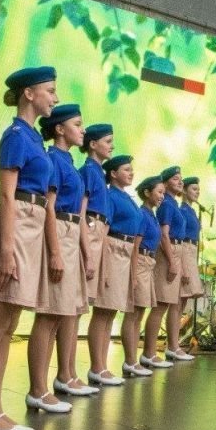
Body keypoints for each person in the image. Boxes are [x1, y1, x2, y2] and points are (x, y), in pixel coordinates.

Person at [0, 66, 57, 430]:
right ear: (29, 94)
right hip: (15, 222)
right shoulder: (15, 135)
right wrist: (6, 250)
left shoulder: (34, 139)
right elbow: (6, 193)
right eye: (49, 90)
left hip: (31, 223)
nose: (54, 97)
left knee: (9, 325)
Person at [28, 104, 87, 415]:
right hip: (59, 231)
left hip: (70, 230)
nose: (83, 130)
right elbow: (49, 207)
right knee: (48, 314)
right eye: (77, 124)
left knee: (58, 314)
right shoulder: (54, 159)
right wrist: (55, 252)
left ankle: (48, 385)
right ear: (60, 130)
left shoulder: (68, 161)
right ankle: (37, 389)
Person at [78, 125, 123, 388]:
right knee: (80, 308)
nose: (112, 146)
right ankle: (77, 371)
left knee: (100, 309)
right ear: (93, 144)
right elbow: (83, 213)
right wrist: (88, 252)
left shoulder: (98, 175)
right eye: (108, 141)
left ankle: (100, 366)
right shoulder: (88, 171)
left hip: (102, 235)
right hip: (92, 233)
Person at [101, 157, 153, 378]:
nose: (131, 173)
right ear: (113, 174)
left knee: (111, 312)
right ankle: (99, 367)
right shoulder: (111, 195)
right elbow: (103, 230)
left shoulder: (126, 197)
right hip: (114, 247)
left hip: (126, 249)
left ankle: (105, 367)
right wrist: (102, 264)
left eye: (132, 170)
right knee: (103, 312)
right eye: (126, 170)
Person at [151, 166, 192, 362]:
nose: (180, 182)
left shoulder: (173, 203)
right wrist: (172, 262)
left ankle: (173, 347)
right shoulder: (166, 204)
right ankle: (149, 353)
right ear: (166, 183)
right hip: (169, 252)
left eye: (181, 179)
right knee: (161, 304)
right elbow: (164, 234)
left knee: (171, 302)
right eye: (176, 179)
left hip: (177, 249)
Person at [136, 175, 174, 370]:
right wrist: (133, 271)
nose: (162, 196)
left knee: (140, 311)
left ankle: (143, 357)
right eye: (159, 192)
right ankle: (135, 359)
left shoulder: (151, 214)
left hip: (149, 261)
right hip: (141, 261)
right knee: (135, 313)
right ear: (147, 193)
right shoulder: (143, 214)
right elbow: (136, 244)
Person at [175, 176, 206, 355]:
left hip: (192, 252)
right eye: (194, 189)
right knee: (178, 301)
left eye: (198, 189)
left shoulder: (192, 211)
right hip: (185, 251)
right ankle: (174, 344)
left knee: (184, 300)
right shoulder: (183, 210)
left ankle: (176, 343)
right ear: (185, 191)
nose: (197, 192)